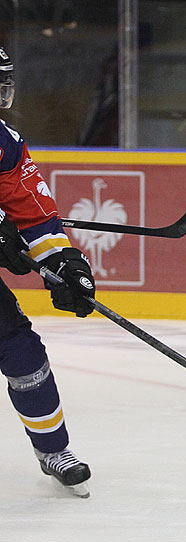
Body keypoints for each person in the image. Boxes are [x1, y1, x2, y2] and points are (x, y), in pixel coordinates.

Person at [0, 46, 96, 497]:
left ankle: (54, 449)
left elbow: (33, 214)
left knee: (21, 351)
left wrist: (62, 263)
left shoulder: (4, 143)